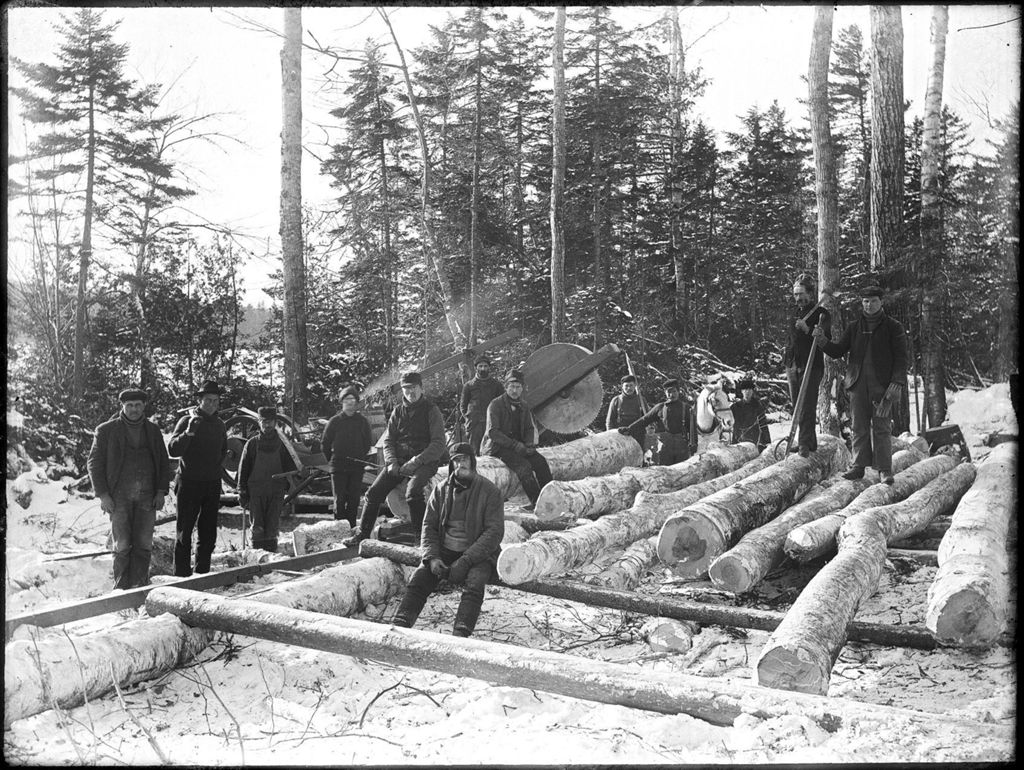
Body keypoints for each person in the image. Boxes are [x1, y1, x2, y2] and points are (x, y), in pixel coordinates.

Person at [391, 442, 504, 638]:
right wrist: (432, 557)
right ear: (451, 464)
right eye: (457, 460)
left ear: (473, 462)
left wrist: (466, 560)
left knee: (475, 583)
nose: (461, 465)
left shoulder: (489, 491)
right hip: (445, 549)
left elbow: (494, 532)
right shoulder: (441, 490)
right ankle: (400, 625)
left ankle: (461, 633)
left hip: (478, 554)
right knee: (420, 578)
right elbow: (429, 526)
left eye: (465, 460)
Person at [813, 284, 907, 485]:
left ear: (880, 302)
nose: (869, 305)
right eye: (865, 301)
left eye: (873, 301)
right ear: (861, 303)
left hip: (881, 386)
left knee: (881, 426)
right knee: (858, 426)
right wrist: (821, 340)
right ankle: (858, 466)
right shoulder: (855, 327)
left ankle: (884, 469)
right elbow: (838, 351)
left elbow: (901, 359)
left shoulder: (893, 327)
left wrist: (897, 383)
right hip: (857, 384)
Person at [344, 371, 446, 546]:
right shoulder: (398, 411)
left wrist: (417, 461)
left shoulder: (431, 410)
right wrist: (391, 462)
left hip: (425, 462)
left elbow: (438, 444)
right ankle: (363, 534)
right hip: (399, 462)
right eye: (406, 389)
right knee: (373, 494)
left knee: (413, 493)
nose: (410, 392)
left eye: (413, 388)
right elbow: (388, 441)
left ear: (421, 388)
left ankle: (421, 539)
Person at [87, 389, 171, 589]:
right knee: (122, 546)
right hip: (118, 497)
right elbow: (94, 463)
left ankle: (139, 588)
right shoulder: (106, 430)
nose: (134, 409)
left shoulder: (152, 431)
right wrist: (103, 495)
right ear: (122, 406)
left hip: (147, 497)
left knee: (143, 545)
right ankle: (121, 590)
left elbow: (163, 462)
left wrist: (160, 491)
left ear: (144, 406)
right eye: (130, 405)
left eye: (138, 405)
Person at [168, 380, 228, 576]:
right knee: (184, 533)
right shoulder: (188, 420)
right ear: (200, 401)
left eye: (216, 401)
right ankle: (181, 577)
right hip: (189, 484)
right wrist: (189, 433)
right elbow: (173, 449)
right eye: (208, 400)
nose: (212, 404)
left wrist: (216, 477)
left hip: (211, 485)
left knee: (208, 534)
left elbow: (223, 452)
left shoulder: (219, 425)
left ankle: (203, 575)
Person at [482, 369, 553, 510]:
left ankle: (552, 499)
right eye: (512, 387)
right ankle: (538, 504)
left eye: (518, 387)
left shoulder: (524, 405)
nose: (515, 390)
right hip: (498, 447)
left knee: (541, 462)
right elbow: (493, 432)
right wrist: (515, 445)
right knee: (524, 467)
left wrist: (529, 444)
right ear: (506, 387)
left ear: (522, 388)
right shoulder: (495, 405)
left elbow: (529, 428)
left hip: (519, 445)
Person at [237, 406, 297, 552]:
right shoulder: (251, 444)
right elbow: (243, 470)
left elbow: (291, 468)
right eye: (263, 422)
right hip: (256, 493)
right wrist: (242, 491)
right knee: (257, 528)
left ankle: (271, 560)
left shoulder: (283, 444)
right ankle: (257, 560)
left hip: (276, 492)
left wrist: (291, 485)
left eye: (270, 421)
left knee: (272, 528)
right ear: (259, 422)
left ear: (275, 422)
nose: (267, 425)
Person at [785, 273, 832, 457]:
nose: (798, 298)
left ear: (811, 294)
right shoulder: (794, 312)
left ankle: (803, 443)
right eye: (796, 294)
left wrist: (809, 330)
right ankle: (810, 441)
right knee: (796, 403)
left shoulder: (822, 314)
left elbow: (825, 337)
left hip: (811, 364)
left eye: (801, 294)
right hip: (792, 363)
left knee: (807, 404)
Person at [320, 386, 373, 526]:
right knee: (340, 499)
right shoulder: (335, 421)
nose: (350, 402)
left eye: (353, 399)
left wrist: (360, 457)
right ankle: (339, 528)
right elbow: (325, 443)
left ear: (356, 402)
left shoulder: (362, 421)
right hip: (338, 467)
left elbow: (368, 443)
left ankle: (351, 528)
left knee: (354, 499)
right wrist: (330, 461)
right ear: (342, 402)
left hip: (356, 467)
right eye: (347, 399)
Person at [619, 378, 693, 465]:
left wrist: (694, 445)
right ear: (665, 393)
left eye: (674, 391)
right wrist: (629, 428)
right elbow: (644, 420)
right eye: (669, 392)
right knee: (664, 472)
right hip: (664, 448)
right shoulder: (660, 408)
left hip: (681, 447)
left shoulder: (687, 408)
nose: (672, 394)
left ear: (678, 391)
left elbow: (692, 428)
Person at [459, 355, 505, 455]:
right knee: (475, 453)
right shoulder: (469, 386)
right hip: (475, 425)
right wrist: (468, 418)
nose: (483, 368)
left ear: (489, 368)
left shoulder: (496, 385)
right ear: (476, 368)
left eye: (485, 366)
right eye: (480, 366)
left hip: (492, 424)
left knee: (492, 451)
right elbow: (463, 405)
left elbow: (503, 404)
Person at [606, 374, 647, 447]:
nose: (629, 388)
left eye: (631, 385)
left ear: (635, 386)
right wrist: (611, 436)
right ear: (622, 387)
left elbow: (647, 417)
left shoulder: (641, 400)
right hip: (620, 436)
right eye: (626, 386)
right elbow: (610, 421)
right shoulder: (616, 400)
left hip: (637, 435)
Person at [730, 378, 771, 451]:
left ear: (752, 391)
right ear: (742, 391)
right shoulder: (734, 407)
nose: (747, 392)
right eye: (745, 390)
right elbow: (728, 425)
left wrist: (767, 442)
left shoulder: (757, 406)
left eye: (749, 390)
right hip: (737, 443)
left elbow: (763, 426)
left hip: (754, 442)